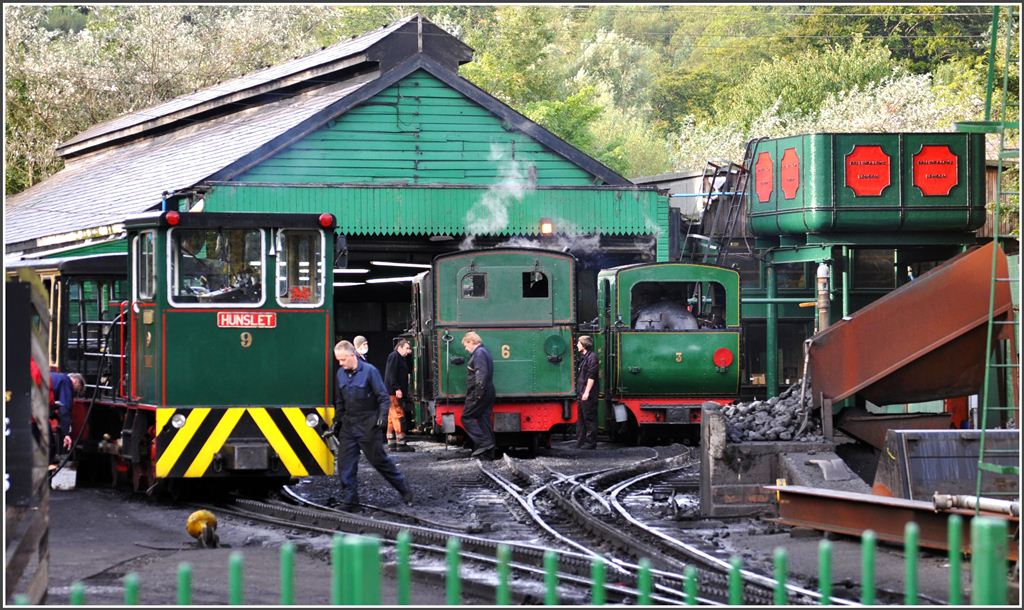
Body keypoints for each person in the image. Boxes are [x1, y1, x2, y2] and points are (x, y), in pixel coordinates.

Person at [331, 340, 413, 510]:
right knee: (345, 463)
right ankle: (350, 501)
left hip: (368, 423)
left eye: (343, 359)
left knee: (379, 461)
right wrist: (337, 421)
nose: (340, 363)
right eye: (338, 360)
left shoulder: (369, 371)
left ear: (352, 355)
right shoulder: (340, 374)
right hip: (349, 424)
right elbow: (340, 401)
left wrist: (381, 419)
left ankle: (404, 489)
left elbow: (383, 397)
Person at [461, 331, 496, 459]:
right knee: (483, 419)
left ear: (471, 341)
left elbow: (481, 374)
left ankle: (484, 443)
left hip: (480, 391)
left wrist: (478, 394)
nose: (466, 348)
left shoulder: (479, 353)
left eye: (466, 345)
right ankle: (489, 452)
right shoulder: (484, 351)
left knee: (466, 417)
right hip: (488, 390)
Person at [384, 339, 414, 452]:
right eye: (406, 348)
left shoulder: (402, 358)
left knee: (392, 418)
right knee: (398, 414)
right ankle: (401, 443)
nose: (408, 350)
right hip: (393, 392)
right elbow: (391, 373)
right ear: (399, 347)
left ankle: (391, 441)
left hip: (394, 391)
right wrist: (396, 388)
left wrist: (409, 356)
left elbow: (410, 369)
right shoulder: (394, 356)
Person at [49, 371, 85, 464]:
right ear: (76, 382)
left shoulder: (57, 377)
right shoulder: (66, 382)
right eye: (77, 390)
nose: (74, 393)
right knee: (50, 447)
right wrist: (66, 433)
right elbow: (65, 409)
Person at [574, 336, 599, 450]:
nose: (577, 345)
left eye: (578, 343)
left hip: (587, 393)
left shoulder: (592, 357)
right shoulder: (584, 358)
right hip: (581, 392)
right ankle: (580, 442)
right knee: (581, 419)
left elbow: (591, 376)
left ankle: (590, 443)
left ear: (584, 344)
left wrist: (587, 392)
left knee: (589, 418)